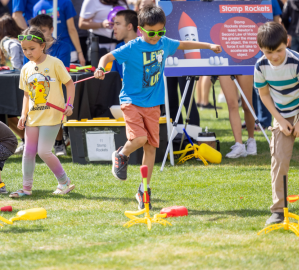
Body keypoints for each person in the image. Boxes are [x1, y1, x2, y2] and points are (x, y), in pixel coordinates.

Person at [94, 6, 222, 209]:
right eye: (151, 33)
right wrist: (101, 68)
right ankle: (121, 154)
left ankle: (143, 190)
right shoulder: (132, 47)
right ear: (140, 29)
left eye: (160, 32)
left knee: (151, 147)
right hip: (131, 101)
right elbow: (107, 58)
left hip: (153, 104)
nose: (155, 37)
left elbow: (184, 44)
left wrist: (208, 45)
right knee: (140, 138)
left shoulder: (164, 43)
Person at [10, 27, 75, 197]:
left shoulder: (54, 63)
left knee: (44, 151)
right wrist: (23, 115)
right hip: (33, 117)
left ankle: (64, 181)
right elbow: (26, 95)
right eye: (24, 49)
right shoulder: (25, 68)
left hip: (52, 116)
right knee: (28, 151)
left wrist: (70, 105)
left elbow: (69, 84)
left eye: (32, 48)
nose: (28, 52)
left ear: (43, 46)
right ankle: (26, 188)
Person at [255, 22, 299, 225]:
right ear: (260, 49)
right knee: (279, 159)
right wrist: (280, 120)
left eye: (279, 51)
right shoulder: (260, 66)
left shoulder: (296, 62)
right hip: (281, 114)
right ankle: (278, 210)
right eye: (268, 52)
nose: (274, 57)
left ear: (287, 42)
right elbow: (264, 95)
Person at [26, 14, 72, 156]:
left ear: (52, 29)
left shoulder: (62, 47)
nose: (40, 35)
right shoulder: (29, 48)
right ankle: (27, 142)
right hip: (36, 90)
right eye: (37, 31)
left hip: (56, 88)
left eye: (43, 31)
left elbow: (61, 72)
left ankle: (59, 141)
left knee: (54, 112)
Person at [0, 14, 26, 155]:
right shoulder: (21, 37)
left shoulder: (7, 41)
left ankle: (26, 139)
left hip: (20, 79)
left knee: (6, 112)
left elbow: (13, 48)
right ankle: (26, 139)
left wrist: (17, 67)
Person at [33, 0, 85, 65]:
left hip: (67, 49)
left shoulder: (66, 2)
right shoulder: (37, 6)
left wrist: (80, 52)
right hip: (47, 51)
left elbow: (71, 29)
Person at [111, 10, 138, 79]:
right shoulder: (118, 47)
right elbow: (114, 75)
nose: (114, 28)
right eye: (114, 24)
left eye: (117, 24)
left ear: (129, 26)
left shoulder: (145, 46)